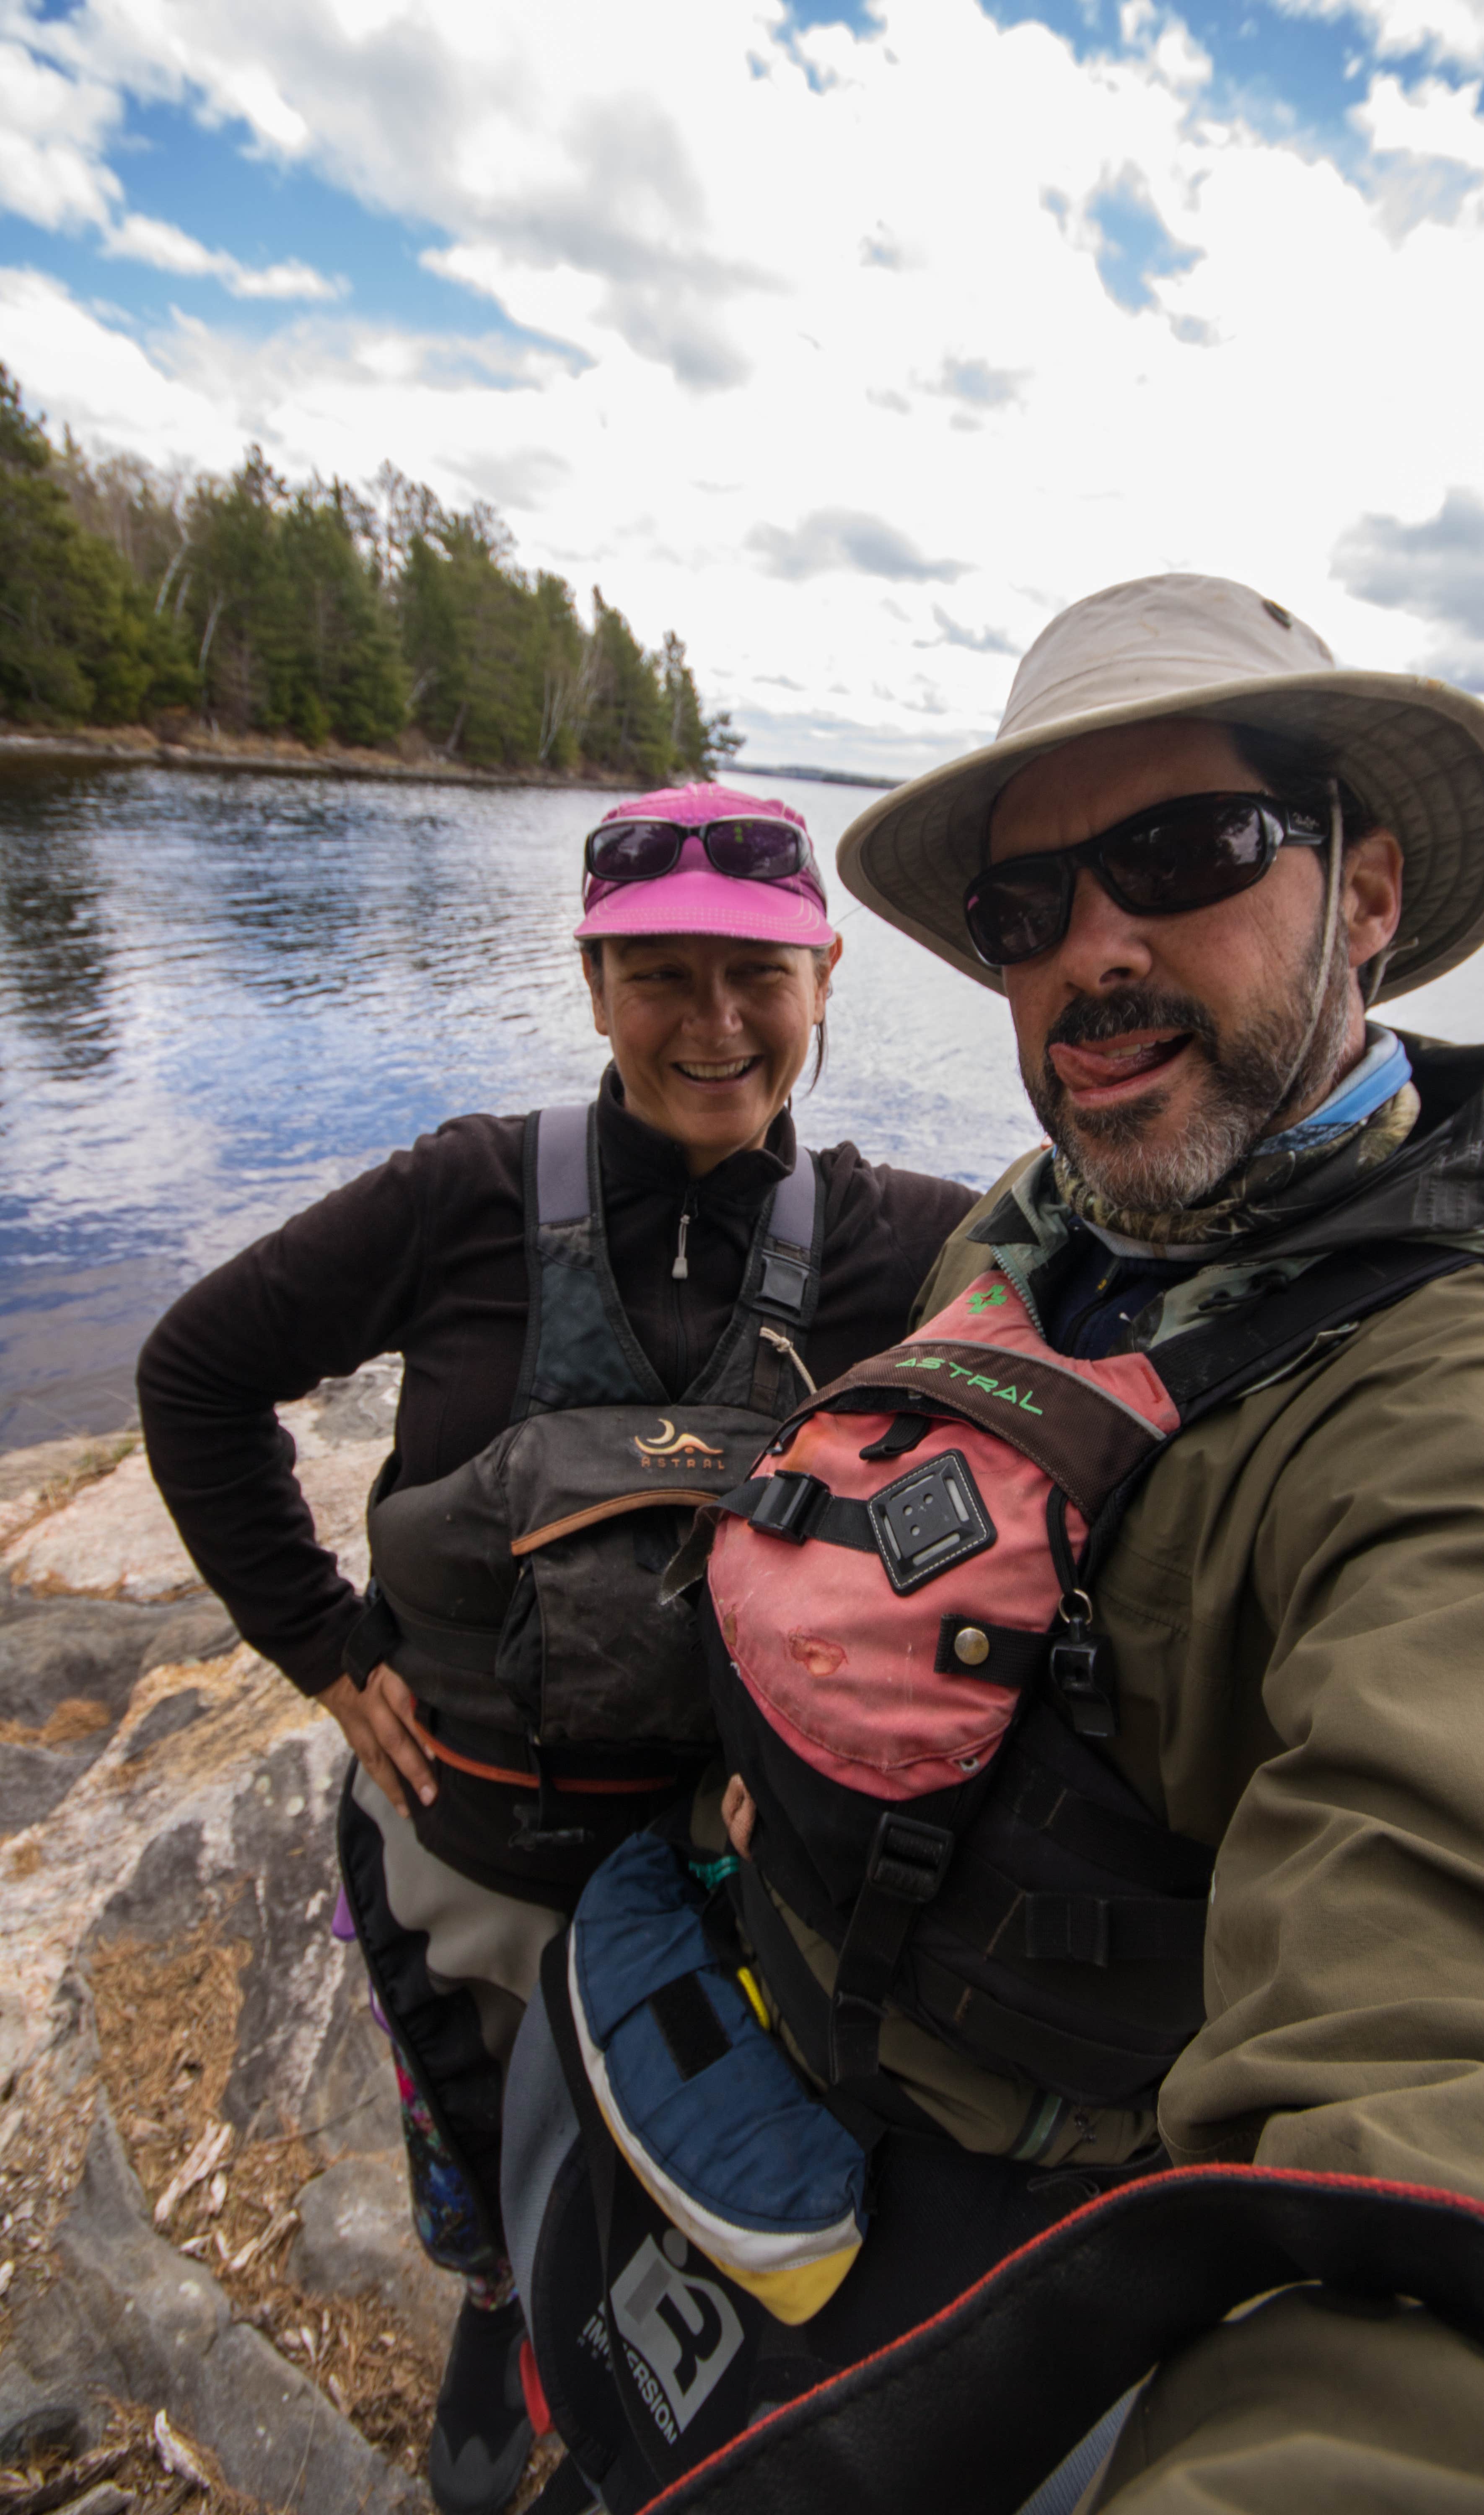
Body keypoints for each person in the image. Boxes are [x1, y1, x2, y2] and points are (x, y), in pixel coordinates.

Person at [505, 582, 1484, 2511]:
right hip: (761, 2026)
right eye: (1024, 908)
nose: (1090, 953)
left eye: (1183, 851)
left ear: (1363, 891)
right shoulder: (1043, 1226)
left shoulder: (1453, 1433)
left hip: (1011, 2202)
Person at [135, 781, 976, 2515]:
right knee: (477, 2130)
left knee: (702, 2162)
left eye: (757, 976)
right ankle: (499, 2302)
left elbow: (1110, 1341)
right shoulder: (463, 1196)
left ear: (826, 979)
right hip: (469, 1857)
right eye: (659, 975)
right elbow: (196, 1374)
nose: (714, 1024)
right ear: (593, 989)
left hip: (732, 1888)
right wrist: (315, 1640)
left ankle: (656, 2356)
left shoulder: (905, 1244)